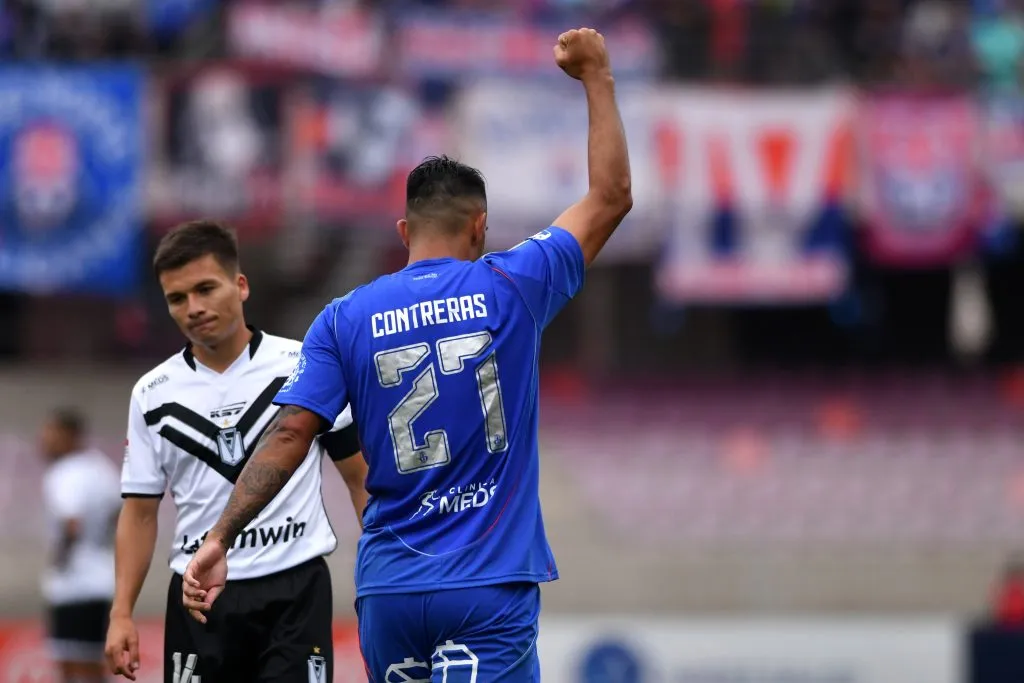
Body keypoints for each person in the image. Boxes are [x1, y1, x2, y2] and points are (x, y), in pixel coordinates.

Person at [183, 26, 631, 681]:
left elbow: (289, 434)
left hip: (389, 588)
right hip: (485, 583)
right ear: (479, 227)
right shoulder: (511, 284)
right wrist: (596, 75)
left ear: (404, 231)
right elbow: (611, 197)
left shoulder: (344, 317)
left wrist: (220, 536)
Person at [104, 220, 368, 683]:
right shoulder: (152, 394)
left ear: (240, 285)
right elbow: (140, 512)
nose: (194, 307)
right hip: (198, 596)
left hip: (295, 587)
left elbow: (358, 476)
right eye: (177, 298)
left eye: (206, 288)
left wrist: (384, 571)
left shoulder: (304, 365)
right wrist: (121, 612)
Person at [40, 407, 122, 683]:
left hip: (74, 583)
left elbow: (71, 523)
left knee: (71, 666)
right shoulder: (100, 467)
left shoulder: (65, 472)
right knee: (94, 664)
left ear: (69, 435)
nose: (45, 440)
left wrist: (60, 559)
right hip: (101, 577)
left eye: (51, 433)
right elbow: (118, 515)